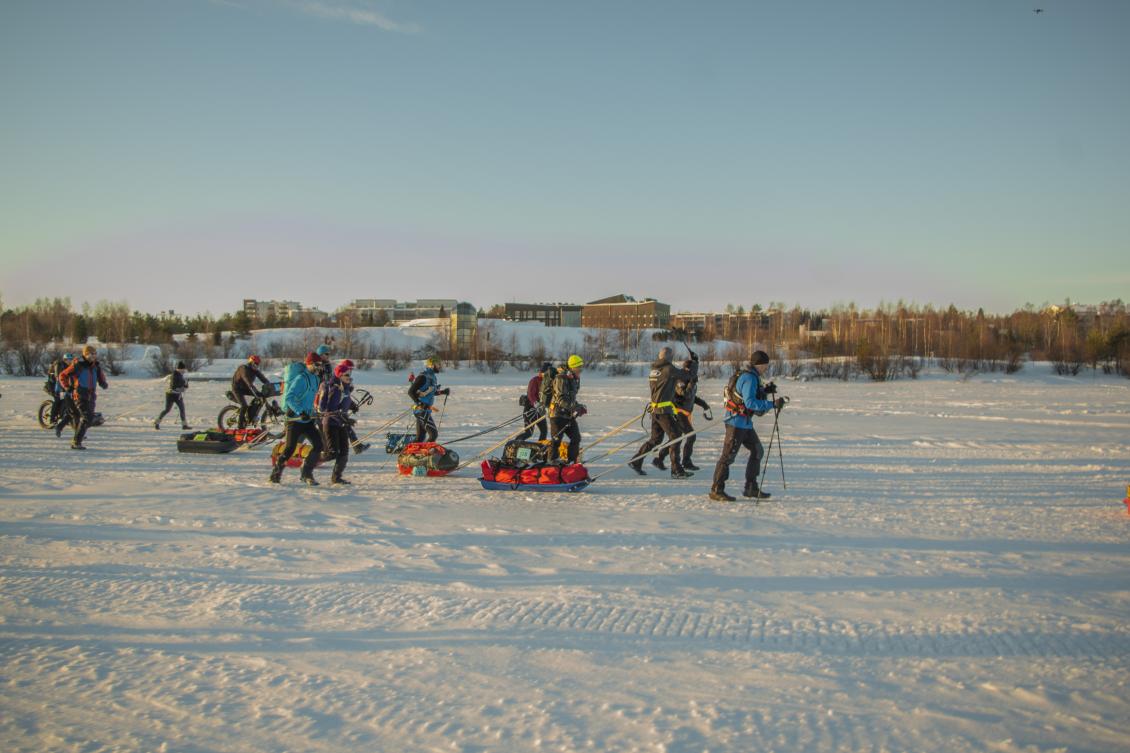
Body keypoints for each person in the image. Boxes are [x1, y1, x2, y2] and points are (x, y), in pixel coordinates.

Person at [709, 350, 786, 502]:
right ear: (759, 364)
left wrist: (765, 390)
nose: (766, 368)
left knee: (757, 451)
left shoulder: (750, 376)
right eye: (765, 365)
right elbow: (750, 402)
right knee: (728, 456)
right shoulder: (750, 378)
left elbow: (748, 395)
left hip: (745, 424)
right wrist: (772, 404)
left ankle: (751, 487)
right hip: (736, 423)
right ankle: (716, 489)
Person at [630, 346, 698, 479]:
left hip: (655, 410)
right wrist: (695, 363)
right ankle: (676, 470)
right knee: (676, 436)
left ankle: (636, 461)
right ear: (669, 357)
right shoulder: (668, 369)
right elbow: (688, 375)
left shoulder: (654, 370)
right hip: (663, 411)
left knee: (655, 440)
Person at [270, 352, 324, 485]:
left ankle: (306, 473)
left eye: (320, 365)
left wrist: (314, 412)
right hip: (294, 421)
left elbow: (310, 400)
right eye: (317, 365)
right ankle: (275, 474)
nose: (319, 367)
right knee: (289, 449)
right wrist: (300, 411)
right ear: (309, 364)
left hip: (308, 421)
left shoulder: (316, 379)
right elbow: (289, 398)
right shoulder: (301, 378)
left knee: (319, 445)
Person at [655, 358, 712, 471]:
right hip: (678, 412)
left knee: (676, 439)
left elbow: (692, 397)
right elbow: (685, 394)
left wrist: (704, 405)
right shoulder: (679, 379)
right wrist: (692, 382)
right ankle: (686, 461)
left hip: (685, 413)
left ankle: (659, 458)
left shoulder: (690, 379)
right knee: (691, 435)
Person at [57, 344, 109, 450]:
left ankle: (76, 435)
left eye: (94, 355)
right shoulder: (78, 365)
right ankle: (76, 442)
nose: (93, 357)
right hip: (80, 394)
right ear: (85, 355)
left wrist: (103, 383)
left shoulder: (96, 366)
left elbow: (101, 377)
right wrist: (67, 387)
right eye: (90, 355)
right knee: (86, 417)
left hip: (91, 395)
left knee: (87, 419)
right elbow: (62, 375)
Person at [317, 359, 355, 485]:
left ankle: (336, 477)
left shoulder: (345, 388)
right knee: (332, 453)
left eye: (350, 374)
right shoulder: (334, 388)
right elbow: (328, 408)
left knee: (344, 451)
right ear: (340, 375)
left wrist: (351, 406)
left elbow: (343, 403)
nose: (350, 377)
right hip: (331, 423)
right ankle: (310, 462)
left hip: (340, 423)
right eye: (347, 375)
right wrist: (343, 416)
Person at [548, 355, 586, 464]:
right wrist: (575, 407)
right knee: (556, 441)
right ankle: (552, 462)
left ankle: (571, 461)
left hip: (568, 415)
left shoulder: (572, 379)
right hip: (557, 415)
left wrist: (579, 406)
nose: (580, 370)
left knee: (576, 438)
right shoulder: (561, 378)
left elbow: (570, 399)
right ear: (573, 368)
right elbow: (561, 399)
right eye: (579, 368)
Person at [408, 357, 449, 443]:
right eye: (437, 365)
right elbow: (411, 392)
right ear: (431, 365)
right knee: (433, 434)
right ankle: (426, 453)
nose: (439, 367)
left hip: (425, 411)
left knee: (420, 438)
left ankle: (410, 454)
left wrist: (442, 392)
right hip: (421, 410)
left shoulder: (432, 377)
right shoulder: (423, 376)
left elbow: (430, 392)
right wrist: (420, 403)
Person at [232, 355, 271, 429]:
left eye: (257, 364)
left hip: (246, 388)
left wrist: (269, 384)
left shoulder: (254, 370)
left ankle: (251, 416)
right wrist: (253, 389)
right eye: (255, 363)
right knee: (244, 406)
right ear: (250, 362)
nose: (256, 365)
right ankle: (240, 427)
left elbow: (262, 378)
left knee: (260, 396)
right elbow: (246, 379)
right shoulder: (243, 368)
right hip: (237, 388)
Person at [517, 361, 552, 441]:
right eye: (545, 373)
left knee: (544, 431)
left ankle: (539, 449)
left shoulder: (548, 383)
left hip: (540, 411)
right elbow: (531, 395)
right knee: (529, 433)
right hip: (530, 410)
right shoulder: (535, 380)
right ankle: (515, 445)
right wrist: (536, 404)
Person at [155, 361, 191, 430]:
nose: (184, 371)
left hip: (177, 395)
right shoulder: (174, 375)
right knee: (167, 410)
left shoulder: (180, 375)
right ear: (180, 369)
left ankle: (184, 425)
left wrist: (186, 384)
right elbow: (174, 386)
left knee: (182, 409)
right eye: (183, 369)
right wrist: (183, 387)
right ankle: (157, 422)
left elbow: (183, 384)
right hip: (171, 395)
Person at [45, 353, 74, 431]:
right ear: (64, 359)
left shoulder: (70, 367)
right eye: (68, 360)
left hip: (65, 387)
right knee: (58, 400)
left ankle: (65, 415)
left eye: (71, 360)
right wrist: (64, 388)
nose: (70, 361)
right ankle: (52, 419)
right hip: (56, 387)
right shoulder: (59, 365)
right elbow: (59, 378)